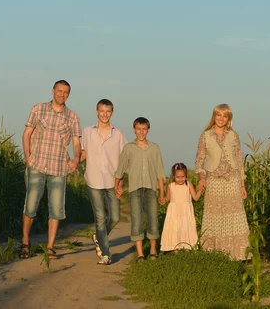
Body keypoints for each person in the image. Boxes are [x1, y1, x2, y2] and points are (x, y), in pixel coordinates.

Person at [19, 80, 82, 260]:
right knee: (30, 206)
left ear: (68, 95)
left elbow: (77, 143)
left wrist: (76, 159)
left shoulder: (72, 117)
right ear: (53, 90)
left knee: (56, 209)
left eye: (66, 92)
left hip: (58, 168)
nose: (62, 94)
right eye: (59, 91)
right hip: (37, 165)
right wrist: (27, 156)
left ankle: (50, 247)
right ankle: (25, 243)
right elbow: (27, 134)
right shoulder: (38, 109)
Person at [195, 104, 250, 261]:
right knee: (215, 217)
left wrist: (242, 185)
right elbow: (199, 160)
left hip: (232, 179)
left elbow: (239, 160)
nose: (221, 119)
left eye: (224, 116)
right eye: (218, 115)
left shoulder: (233, 135)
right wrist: (202, 177)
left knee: (235, 217)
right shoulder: (205, 135)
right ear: (214, 116)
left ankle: (238, 254)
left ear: (228, 119)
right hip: (214, 180)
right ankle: (214, 254)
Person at [80, 99, 128, 265]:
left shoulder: (119, 134)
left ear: (112, 113)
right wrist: (72, 162)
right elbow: (83, 153)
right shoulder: (87, 132)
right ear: (96, 112)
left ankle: (99, 237)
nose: (105, 114)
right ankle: (106, 254)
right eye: (102, 111)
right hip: (93, 179)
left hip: (111, 180)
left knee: (114, 217)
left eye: (108, 111)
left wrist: (121, 182)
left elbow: (124, 159)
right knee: (100, 218)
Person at [114, 117, 166, 262]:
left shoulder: (154, 148)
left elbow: (160, 172)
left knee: (153, 220)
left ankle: (153, 251)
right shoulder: (129, 148)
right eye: (138, 129)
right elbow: (120, 169)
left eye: (144, 129)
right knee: (136, 221)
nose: (141, 132)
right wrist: (116, 186)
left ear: (148, 130)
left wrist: (162, 193)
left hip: (151, 189)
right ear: (134, 130)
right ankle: (140, 254)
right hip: (135, 190)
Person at [160, 162, 203, 253]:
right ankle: (175, 248)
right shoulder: (171, 186)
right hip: (174, 213)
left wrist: (200, 190)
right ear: (173, 176)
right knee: (175, 229)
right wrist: (163, 200)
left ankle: (187, 247)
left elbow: (195, 198)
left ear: (186, 176)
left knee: (185, 228)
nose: (180, 179)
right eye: (178, 177)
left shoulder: (188, 185)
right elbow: (168, 198)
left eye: (182, 177)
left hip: (185, 213)